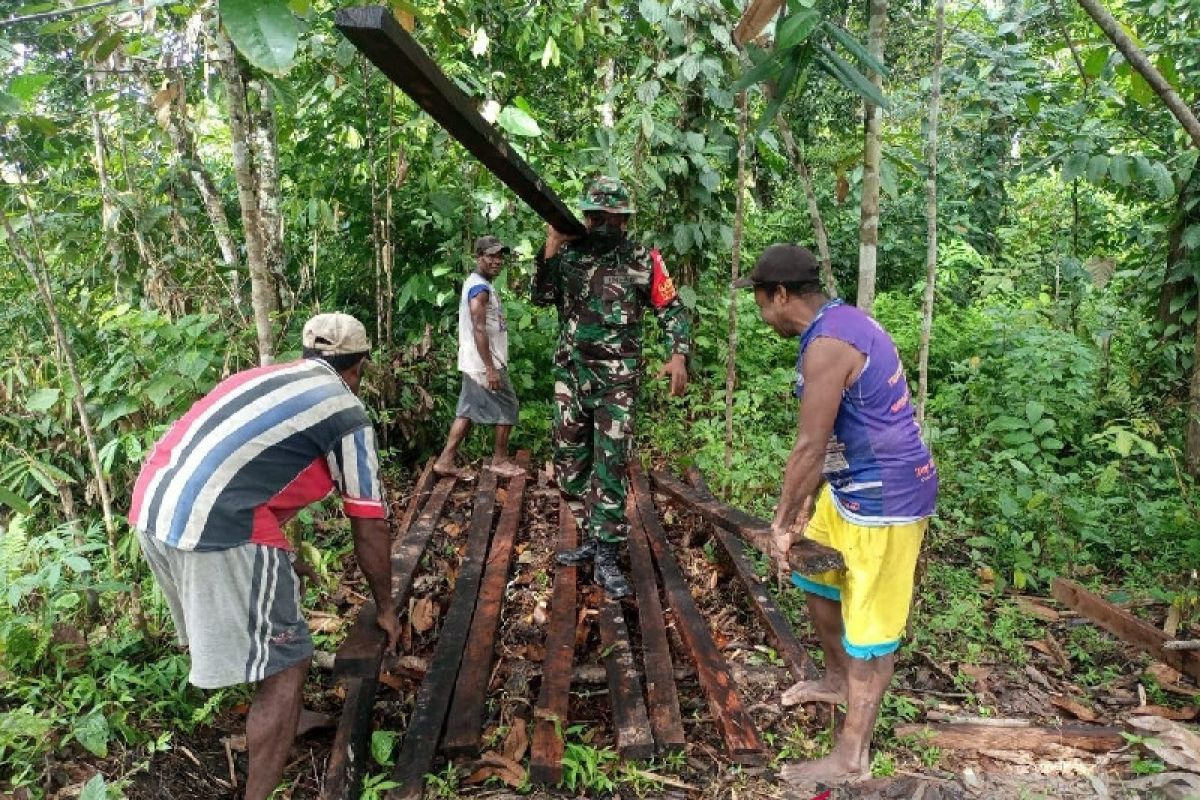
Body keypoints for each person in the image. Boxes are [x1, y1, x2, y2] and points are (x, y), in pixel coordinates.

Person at [127, 313, 401, 800]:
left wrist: (287, 559)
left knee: (280, 603)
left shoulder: (261, 377)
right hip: (217, 528)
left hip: (153, 507)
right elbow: (370, 523)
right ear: (358, 367)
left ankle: (289, 715)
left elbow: (246, 470)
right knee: (289, 661)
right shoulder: (346, 413)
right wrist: (385, 607)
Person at [734, 244, 938, 787]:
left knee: (871, 630)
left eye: (759, 300)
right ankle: (835, 678)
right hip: (848, 489)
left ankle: (851, 756)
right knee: (816, 577)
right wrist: (800, 513)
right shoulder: (837, 323)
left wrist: (779, 525)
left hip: (886, 501)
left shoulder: (828, 344)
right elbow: (832, 444)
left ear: (779, 295)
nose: (761, 314)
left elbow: (809, 445)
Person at [533, 176, 691, 598]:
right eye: (596, 216)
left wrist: (678, 354)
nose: (602, 223)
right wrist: (550, 246)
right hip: (572, 375)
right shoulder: (567, 256)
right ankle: (590, 534)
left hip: (616, 382)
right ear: (587, 216)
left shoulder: (643, 258)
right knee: (569, 462)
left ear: (622, 219)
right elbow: (541, 295)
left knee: (612, 464)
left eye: (611, 217)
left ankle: (606, 551)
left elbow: (671, 309)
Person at [434, 235, 525, 479]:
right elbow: (479, 327)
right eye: (491, 256)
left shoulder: (479, 283)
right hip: (485, 364)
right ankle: (499, 460)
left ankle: (445, 460)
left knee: (466, 412)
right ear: (479, 257)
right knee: (509, 407)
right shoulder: (480, 288)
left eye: (500, 256)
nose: (497, 261)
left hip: (475, 363)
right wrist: (490, 368)